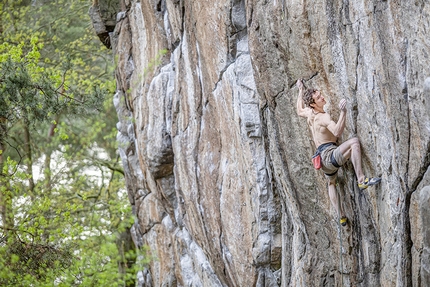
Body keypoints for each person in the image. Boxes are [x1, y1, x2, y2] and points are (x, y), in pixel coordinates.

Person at [295, 79, 381, 226]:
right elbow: (337, 131)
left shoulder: (310, 113)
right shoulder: (323, 117)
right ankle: (361, 180)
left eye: (320, 94)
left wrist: (300, 90)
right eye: (318, 98)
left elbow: (299, 110)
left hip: (322, 161)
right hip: (329, 155)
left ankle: (341, 216)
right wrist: (343, 112)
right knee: (354, 142)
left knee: (331, 183)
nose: (322, 97)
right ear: (313, 104)